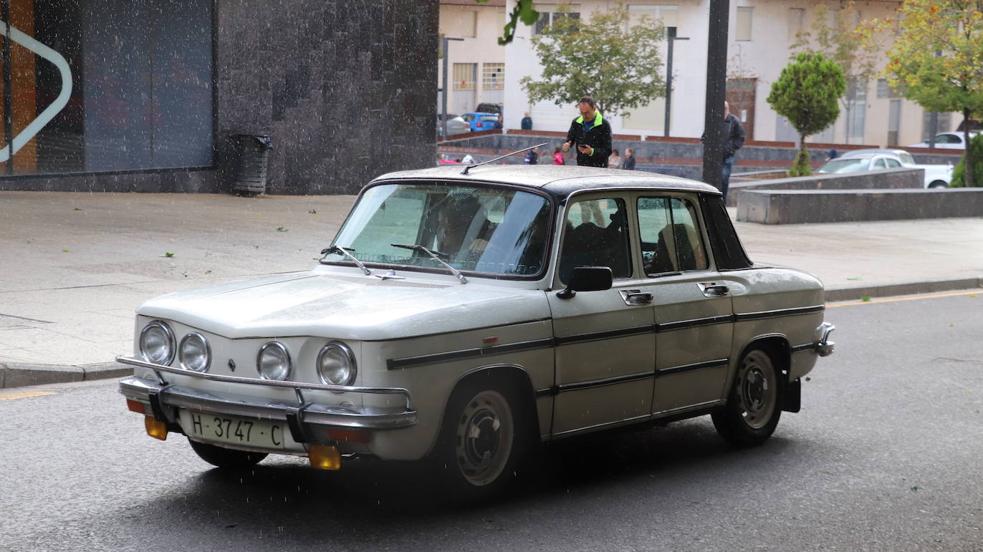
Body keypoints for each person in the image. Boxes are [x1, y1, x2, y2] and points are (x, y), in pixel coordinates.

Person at [702, 101, 746, 200]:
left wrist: (730, 148)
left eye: (725, 108)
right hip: (715, 156)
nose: (724, 111)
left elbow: (741, 137)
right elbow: (705, 136)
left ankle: (722, 199)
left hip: (728, 155)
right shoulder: (714, 120)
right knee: (711, 178)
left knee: (724, 177)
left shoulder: (734, 121)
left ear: (728, 109)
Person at [562, 96, 612, 167]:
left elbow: (608, 151)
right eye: (582, 113)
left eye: (587, 112)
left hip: (599, 168)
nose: (584, 115)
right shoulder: (576, 122)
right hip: (581, 166)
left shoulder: (604, 124)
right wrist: (566, 147)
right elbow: (569, 141)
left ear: (594, 108)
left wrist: (591, 151)